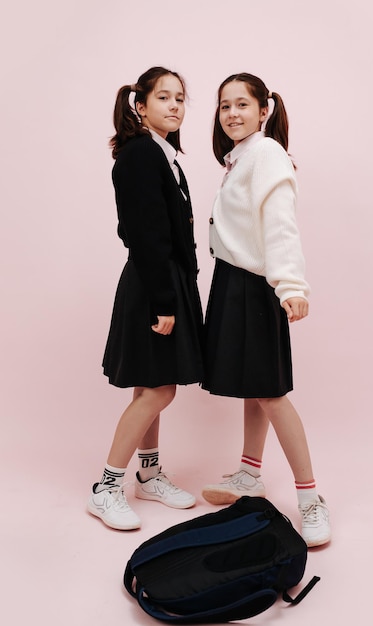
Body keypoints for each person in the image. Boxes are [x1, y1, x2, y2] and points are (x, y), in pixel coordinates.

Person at [201, 73, 331, 547]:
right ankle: (249, 473)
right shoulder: (242, 158)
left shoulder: (267, 155)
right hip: (233, 280)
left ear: (264, 110)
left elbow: (280, 225)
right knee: (253, 390)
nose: (232, 113)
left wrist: (291, 285)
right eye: (224, 106)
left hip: (258, 286)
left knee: (271, 392)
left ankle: (312, 498)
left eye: (242, 105)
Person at [87, 67, 204, 530]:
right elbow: (143, 233)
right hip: (154, 283)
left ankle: (149, 474)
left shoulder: (164, 154)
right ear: (141, 105)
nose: (175, 106)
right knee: (160, 388)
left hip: (166, 280)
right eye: (164, 97)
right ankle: (106, 487)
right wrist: (164, 300)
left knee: (150, 382)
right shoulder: (139, 154)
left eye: (180, 98)